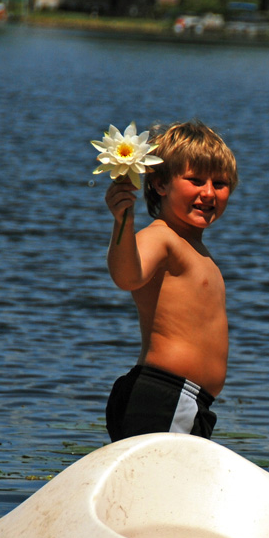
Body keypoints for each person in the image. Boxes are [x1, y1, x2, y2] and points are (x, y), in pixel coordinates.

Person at [103, 120, 238, 442]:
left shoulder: (197, 249)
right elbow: (127, 277)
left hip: (189, 400)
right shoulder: (162, 237)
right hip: (164, 394)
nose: (208, 192)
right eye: (195, 180)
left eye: (220, 184)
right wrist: (123, 221)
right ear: (160, 184)